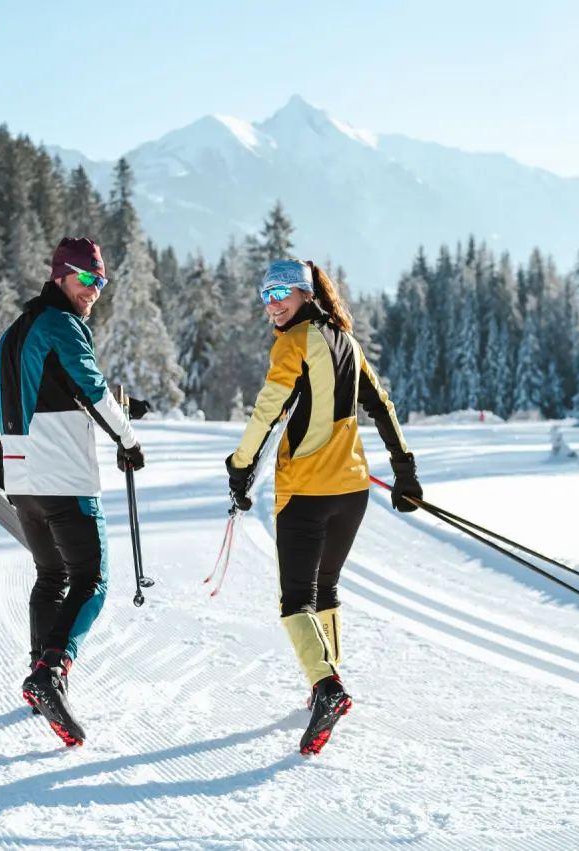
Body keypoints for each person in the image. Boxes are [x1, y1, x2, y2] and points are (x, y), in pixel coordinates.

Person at [226, 259, 423, 756]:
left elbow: (268, 410)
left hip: (306, 493)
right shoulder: (346, 342)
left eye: (281, 293)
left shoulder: (293, 343)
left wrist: (239, 464)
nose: (272, 304)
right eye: (265, 294)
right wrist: (404, 473)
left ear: (305, 293)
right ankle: (329, 678)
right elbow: (382, 405)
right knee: (326, 587)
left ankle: (326, 688)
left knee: (296, 600)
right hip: (352, 493)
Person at [0, 236, 147, 747]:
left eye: (101, 281)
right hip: (64, 477)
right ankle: (51, 673)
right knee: (92, 581)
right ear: (59, 276)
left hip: (24, 480)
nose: (94, 290)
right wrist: (129, 439)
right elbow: (92, 390)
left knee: (51, 575)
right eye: (86, 278)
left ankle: (39, 676)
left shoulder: (16, 331)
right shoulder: (61, 324)